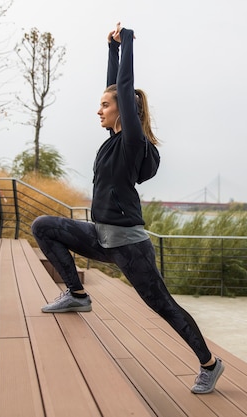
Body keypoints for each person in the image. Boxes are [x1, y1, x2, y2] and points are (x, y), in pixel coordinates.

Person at [31, 22, 224, 395]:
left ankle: (210, 364)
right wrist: (110, 50)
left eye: (105, 105)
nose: (98, 110)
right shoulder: (113, 139)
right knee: (44, 225)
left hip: (129, 247)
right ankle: (77, 295)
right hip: (99, 236)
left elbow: (122, 88)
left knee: (163, 306)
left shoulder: (132, 141)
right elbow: (114, 89)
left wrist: (127, 40)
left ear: (125, 111)